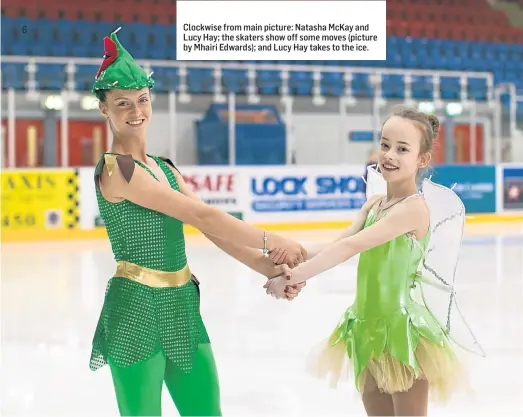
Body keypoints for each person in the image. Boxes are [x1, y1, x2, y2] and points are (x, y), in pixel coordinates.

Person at [88, 27, 307, 416]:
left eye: (142, 100)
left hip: (181, 305)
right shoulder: (117, 170)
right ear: (104, 108)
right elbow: (202, 214)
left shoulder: (164, 167)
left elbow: (210, 228)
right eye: (123, 104)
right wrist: (272, 239)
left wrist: (269, 267)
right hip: (136, 308)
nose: (136, 112)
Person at [265, 108, 469, 416]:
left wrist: (292, 278)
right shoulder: (375, 204)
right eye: (385, 144)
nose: (389, 154)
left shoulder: (413, 210)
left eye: (402, 149)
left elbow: (350, 247)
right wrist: (291, 253)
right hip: (364, 328)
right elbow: (335, 243)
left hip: (402, 332)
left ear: (422, 160)